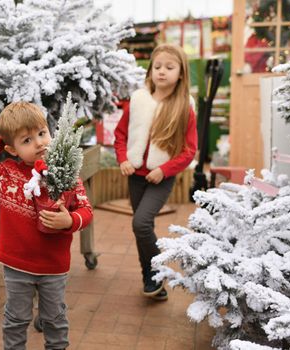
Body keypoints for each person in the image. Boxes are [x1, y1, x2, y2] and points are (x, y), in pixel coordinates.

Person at [0, 101, 93, 350]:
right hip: (17, 264)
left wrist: (69, 221)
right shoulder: (5, 174)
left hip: (53, 265)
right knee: (16, 319)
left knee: (54, 319)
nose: (39, 143)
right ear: (11, 149)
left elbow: (86, 210)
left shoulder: (65, 173)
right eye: (26, 140)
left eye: (42, 133)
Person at [113, 43, 198, 301]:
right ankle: (152, 280)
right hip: (135, 175)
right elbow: (120, 135)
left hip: (161, 177)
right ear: (150, 71)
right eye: (157, 67)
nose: (162, 72)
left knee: (140, 222)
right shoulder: (138, 100)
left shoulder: (185, 106)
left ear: (181, 73)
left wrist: (164, 169)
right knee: (142, 227)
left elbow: (189, 150)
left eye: (169, 67)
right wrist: (123, 159)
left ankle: (155, 276)